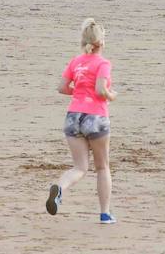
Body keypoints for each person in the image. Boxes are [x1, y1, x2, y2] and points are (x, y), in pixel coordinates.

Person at [46, 18, 116, 224]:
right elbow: (100, 90)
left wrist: (77, 91)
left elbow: (62, 87)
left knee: (80, 167)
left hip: (73, 115)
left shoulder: (75, 62)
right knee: (102, 167)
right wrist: (112, 95)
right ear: (101, 43)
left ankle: (60, 188)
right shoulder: (103, 63)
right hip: (96, 116)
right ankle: (105, 213)